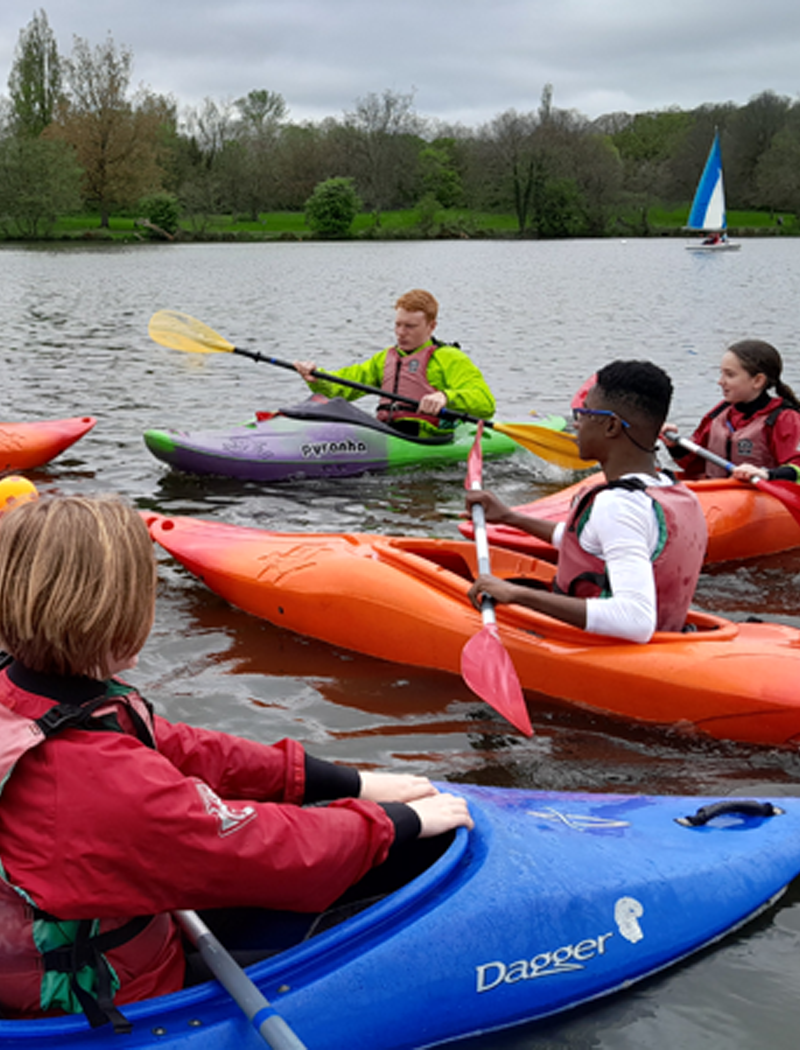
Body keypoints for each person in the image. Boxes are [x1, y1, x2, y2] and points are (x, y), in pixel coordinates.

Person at [0, 494, 472, 1024]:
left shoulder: (30, 699)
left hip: (78, 936)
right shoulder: (95, 778)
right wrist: (395, 825)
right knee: (383, 962)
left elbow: (184, 747)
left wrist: (343, 781)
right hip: (110, 996)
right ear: (115, 613)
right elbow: (263, 850)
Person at [465, 360, 707, 644]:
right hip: (668, 638)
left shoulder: (618, 506)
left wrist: (518, 595)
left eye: (583, 413)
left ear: (611, 426)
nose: (577, 423)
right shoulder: (675, 491)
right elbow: (588, 544)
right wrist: (510, 518)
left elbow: (636, 620)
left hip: (602, 647)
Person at [293, 289, 495, 437]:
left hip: (427, 437)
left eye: (410, 326)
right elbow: (343, 387)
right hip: (387, 431)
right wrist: (316, 376)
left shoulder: (450, 358)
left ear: (431, 327)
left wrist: (445, 397)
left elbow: (485, 402)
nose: (400, 332)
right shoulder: (384, 359)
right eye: (398, 324)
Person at [662, 339, 800, 484]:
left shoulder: (785, 418)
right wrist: (674, 446)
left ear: (758, 381)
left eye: (730, 375)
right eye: (721, 374)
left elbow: (797, 466)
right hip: (718, 493)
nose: (720, 381)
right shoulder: (720, 412)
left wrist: (766, 474)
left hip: (759, 497)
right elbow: (693, 465)